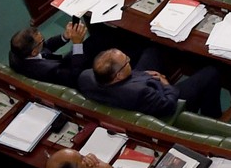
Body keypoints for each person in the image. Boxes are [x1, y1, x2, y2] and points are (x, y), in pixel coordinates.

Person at [77, 46, 223, 118]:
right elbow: (168, 106)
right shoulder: (139, 92)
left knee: (153, 51)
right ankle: (214, 115)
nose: (129, 60)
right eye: (126, 62)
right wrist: (165, 84)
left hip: (133, 83)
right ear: (119, 75)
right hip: (161, 99)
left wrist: (141, 74)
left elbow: (127, 80)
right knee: (211, 73)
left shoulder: (85, 77)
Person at [8, 23, 84, 87]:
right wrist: (77, 44)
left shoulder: (15, 52)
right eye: (42, 40)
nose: (43, 41)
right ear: (34, 52)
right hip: (72, 72)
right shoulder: (49, 70)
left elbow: (46, 46)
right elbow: (75, 75)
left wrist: (65, 36)